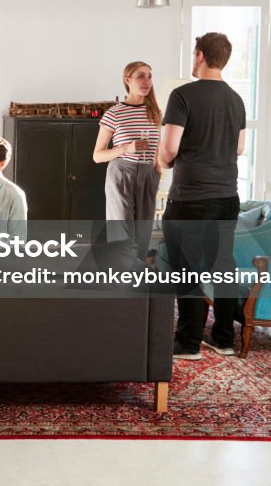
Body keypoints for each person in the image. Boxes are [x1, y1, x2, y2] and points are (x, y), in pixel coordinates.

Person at [158, 32, 247, 360]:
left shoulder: (182, 96)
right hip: (227, 197)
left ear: (199, 55)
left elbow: (169, 149)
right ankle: (223, 339)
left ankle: (189, 342)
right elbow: (239, 148)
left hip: (190, 199)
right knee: (223, 266)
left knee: (186, 268)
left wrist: (163, 159)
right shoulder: (236, 99)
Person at [93, 61, 162, 261]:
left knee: (143, 234)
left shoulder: (155, 113)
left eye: (149, 76)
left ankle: (135, 283)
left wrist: (157, 172)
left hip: (148, 175)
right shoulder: (114, 113)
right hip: (122, 173)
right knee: (122, 234)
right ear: (127, 80)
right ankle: (121, 282)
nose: (146, 81)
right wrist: (125, 148)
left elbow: (157, 149)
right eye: (140, 76)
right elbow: (97, 155)